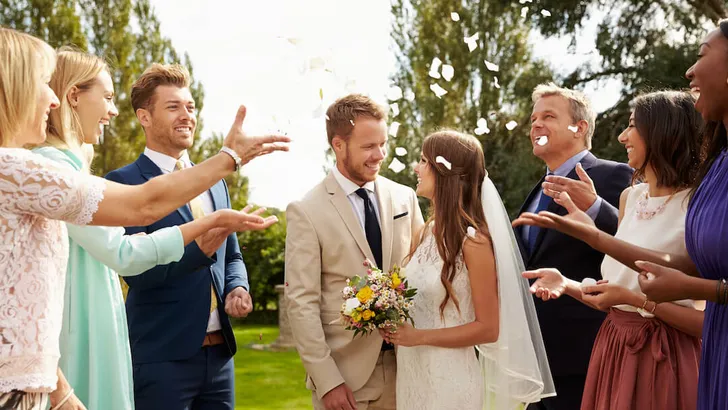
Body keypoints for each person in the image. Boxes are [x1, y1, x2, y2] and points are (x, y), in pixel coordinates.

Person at [0, 28, 289, 410]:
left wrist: (59, 390)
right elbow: (137, 224)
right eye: (106, 96)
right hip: (107, 355)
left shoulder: (41, 170)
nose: (51, 99)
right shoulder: (30, 170)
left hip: (46, 372)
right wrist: (226, 164)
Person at [515, 91, 704, 410]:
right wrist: (566, 283)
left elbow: (692, 300)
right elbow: (617, 286)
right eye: (534, 118)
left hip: (658, 354)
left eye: (548, 116)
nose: (621, 136)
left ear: (662, 131)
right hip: (609, 349)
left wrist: (593, 219)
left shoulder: (698, 205)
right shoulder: (632, 197)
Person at [105, 63, 266, 410]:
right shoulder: (124, 183)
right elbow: (137, 272)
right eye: (173, 107)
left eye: (190, 107)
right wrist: (200, 250)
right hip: (160, 358)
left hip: (220, 355)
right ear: (144, 117)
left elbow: (232, 253)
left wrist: (237, 287)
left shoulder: (214, 181)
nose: (187, 116)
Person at [380, 130, 554, 410]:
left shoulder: (474, 242)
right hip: (412, 375)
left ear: (445, 173)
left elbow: (488, 329)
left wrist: (418, 337)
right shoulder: (425, 233)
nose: (417, 168)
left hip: (450, 380)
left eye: (424, 161)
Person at [285, 94, 424, 410]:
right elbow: (301, 302)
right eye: (368, 147)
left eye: (383, 144)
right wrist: (328, 381)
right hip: (347, 383)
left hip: (413, 372)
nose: (380, 155)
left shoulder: (405, 199)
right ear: (338, 145)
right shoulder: (306, 211)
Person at [514, 83, 633, 410]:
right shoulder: (537, 191)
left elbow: (635, 244)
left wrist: (595, 207)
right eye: (533, 118)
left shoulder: (616, 176)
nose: (536, 124)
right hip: (538, 361)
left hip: (588, 356)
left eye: (548, 116)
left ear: (579, 127)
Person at [632, 19, 728, 410]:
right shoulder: (719, 163)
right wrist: (590, 232)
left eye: (703, 53)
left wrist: (694, 290)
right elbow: (696, 263)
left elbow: (702, 281)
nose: (689, 70)